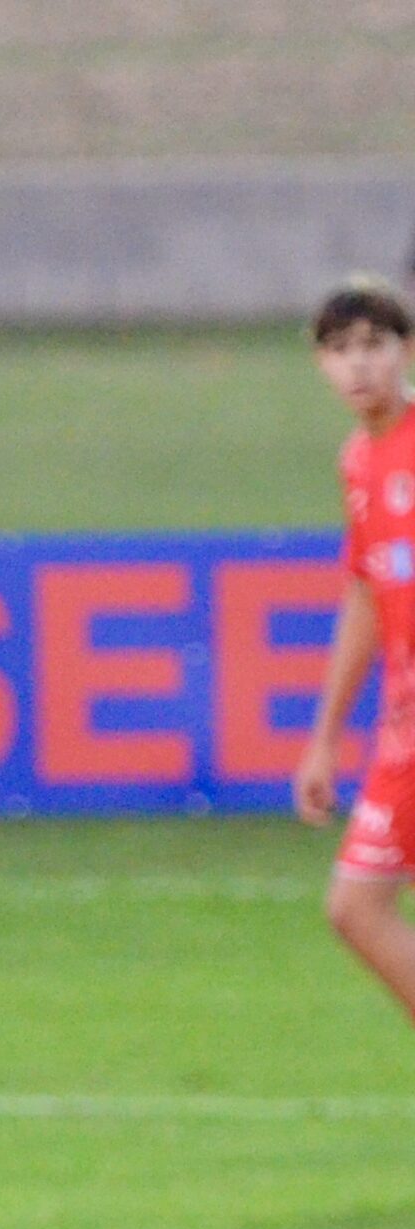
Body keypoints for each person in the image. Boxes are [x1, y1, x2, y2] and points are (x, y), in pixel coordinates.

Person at [296, 276, 415, 1023]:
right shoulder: (359, 462)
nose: (359, 364)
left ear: (406, 350)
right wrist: (325, 737)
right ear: (322, 365)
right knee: (355, 907)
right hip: (403, 730)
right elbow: (367, 594)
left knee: (358, 904)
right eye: (341, 350)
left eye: (375, 344)